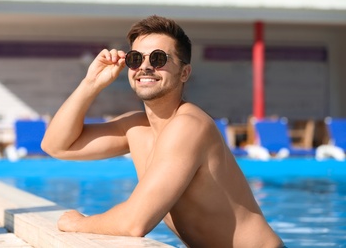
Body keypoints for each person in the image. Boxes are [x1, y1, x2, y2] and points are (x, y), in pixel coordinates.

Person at [41, 15, 284, 248]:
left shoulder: (189, 126)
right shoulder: (134, 127)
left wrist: (79, 223)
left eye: (159, 58)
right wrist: (91, 83)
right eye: (136, 58)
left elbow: (134, 223)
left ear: (184, 73)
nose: (145, 66)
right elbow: (57, 146)